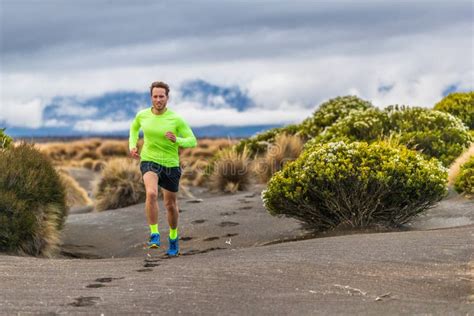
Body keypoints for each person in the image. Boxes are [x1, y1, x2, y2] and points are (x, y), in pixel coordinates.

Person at [129, 81, 197, 256]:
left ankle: (173, 237)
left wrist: (177, 140)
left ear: (167, 97)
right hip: (149, 160)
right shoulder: (142, 115)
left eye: (161, 96)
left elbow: (192, 140)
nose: (158, 99)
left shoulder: (176, 119)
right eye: (155, 96)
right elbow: (134, 128)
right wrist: (133, 145)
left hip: (171, 164)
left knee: (170, 205)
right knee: (151, 193)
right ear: (151, 97)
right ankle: (154, 233)